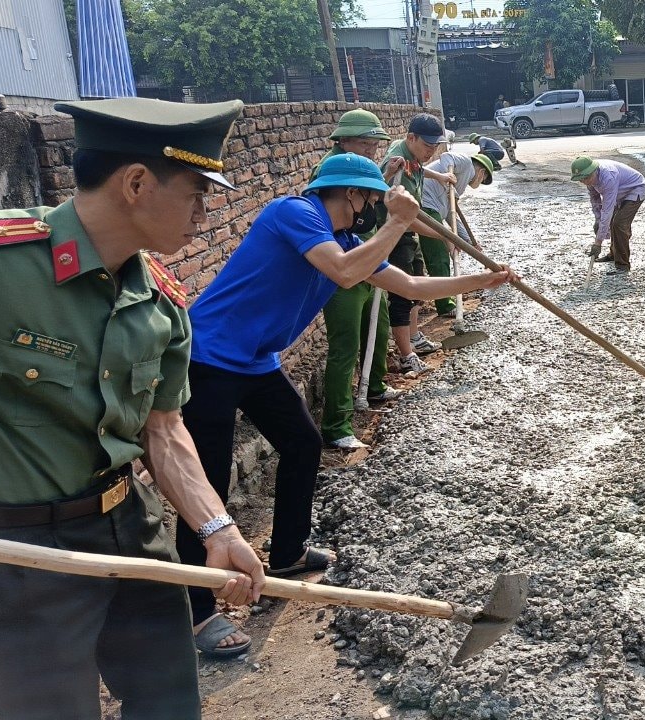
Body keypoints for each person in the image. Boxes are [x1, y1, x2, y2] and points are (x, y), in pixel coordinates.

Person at [0, 97, 266, 713]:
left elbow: (163, 429)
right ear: (137, 183)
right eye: (195, 192)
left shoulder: (162, 303)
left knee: (169, 703)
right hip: (22, 558)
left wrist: (218, 528)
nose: (204, 212)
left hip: (130, 530)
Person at [177, 152, 512, 656]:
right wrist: (399, 221)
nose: (373, 208)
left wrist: (481, 281)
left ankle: (287, 554)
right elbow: (344, 272)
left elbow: (410, 285)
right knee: (206, 482)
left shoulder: (350, 242)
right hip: (209, 357)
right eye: (371, 199)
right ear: (350, 194)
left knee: (303, 444)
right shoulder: (294, 213)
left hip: (255, 361)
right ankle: (197, 613)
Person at [315, 109, 403, 450]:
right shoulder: (329, 170)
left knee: (377, 329)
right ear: (344, 141)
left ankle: (375, 385)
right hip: (343, 268)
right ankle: (337, 425)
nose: (371, 149)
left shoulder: (364, 168)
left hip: (370, 263)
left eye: (373, 144)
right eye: (364, 143)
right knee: (345, 346)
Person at [379, 114, 457, 375]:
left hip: (406, 234)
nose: (431, 152)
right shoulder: (397, 163)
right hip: (393, 236)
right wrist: (443, 235)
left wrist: (440, 177)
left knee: (417, 287)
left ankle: (414, 336)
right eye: (427, 146)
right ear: (410, 137)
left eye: (435, 147)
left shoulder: (413, 156)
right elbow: (406, 219)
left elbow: (421, 169)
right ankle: (406, 356)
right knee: (402, 294)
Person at [418, 152, 496, 316]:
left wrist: (468, 242)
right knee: (439, 257)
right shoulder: (467, 164)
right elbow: (446, 156)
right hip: (425, 205)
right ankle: (445, 305)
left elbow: (450, 214)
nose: (479, 183)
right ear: (481, 172)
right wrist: (446, 180)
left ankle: (442, 300)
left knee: (441, 256)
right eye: (482, 180)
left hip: (433, 208)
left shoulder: (459, 184)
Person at [571, 155, 645, 273]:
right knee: (611, 222)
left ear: (594, 171)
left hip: (636, 189)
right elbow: (595, 201)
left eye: (587, 178)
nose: (585, 182)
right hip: (619, 193)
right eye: (581, 180)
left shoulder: (608, 177)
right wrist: (598, 220)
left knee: (619, 224)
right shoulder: (590, 179)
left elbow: (607, 210)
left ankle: (623, 265)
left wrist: (598, 243)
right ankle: (613, 255)